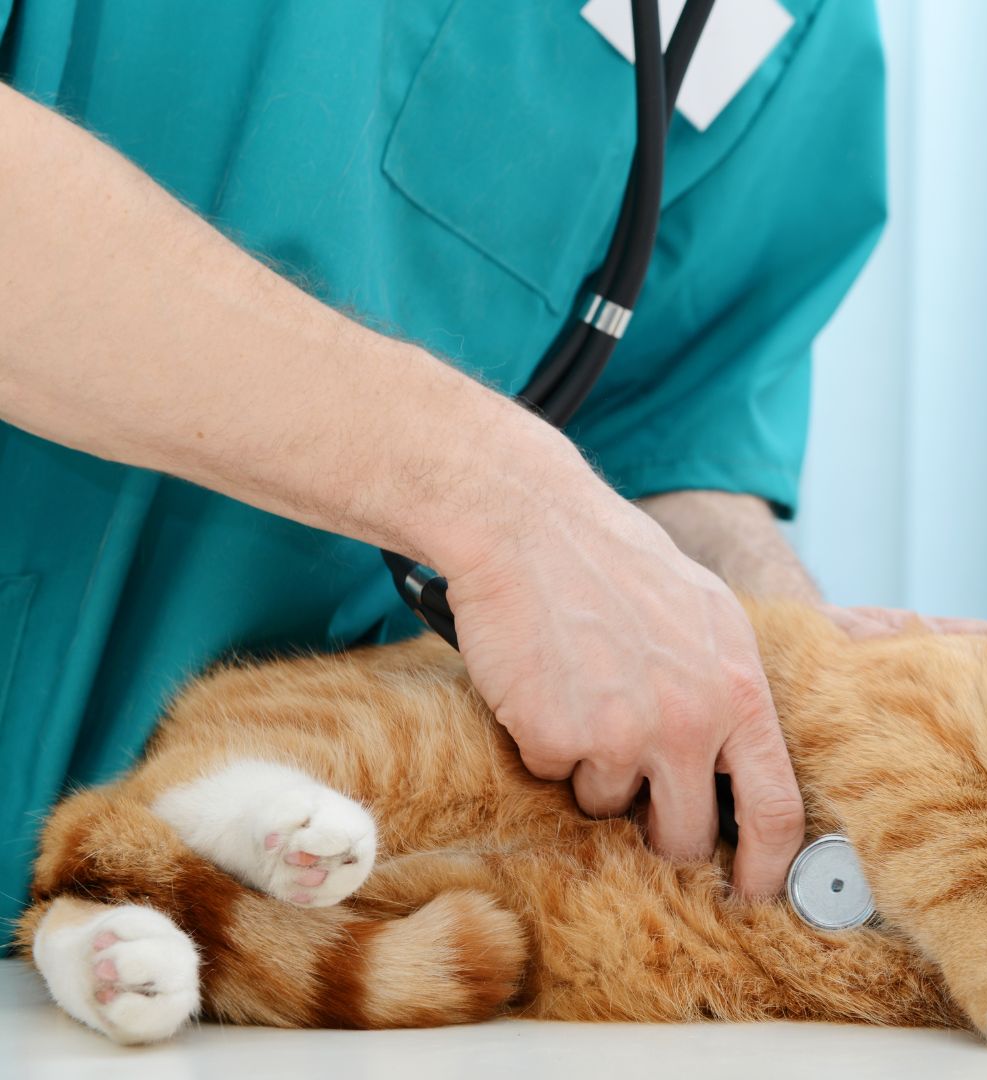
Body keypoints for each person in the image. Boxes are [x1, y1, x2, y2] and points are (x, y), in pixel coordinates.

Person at [0, 2, 894, 926]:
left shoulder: (793, 27)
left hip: (267, 895)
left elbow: (665, 431)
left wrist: (790, 667)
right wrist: (489, 493)